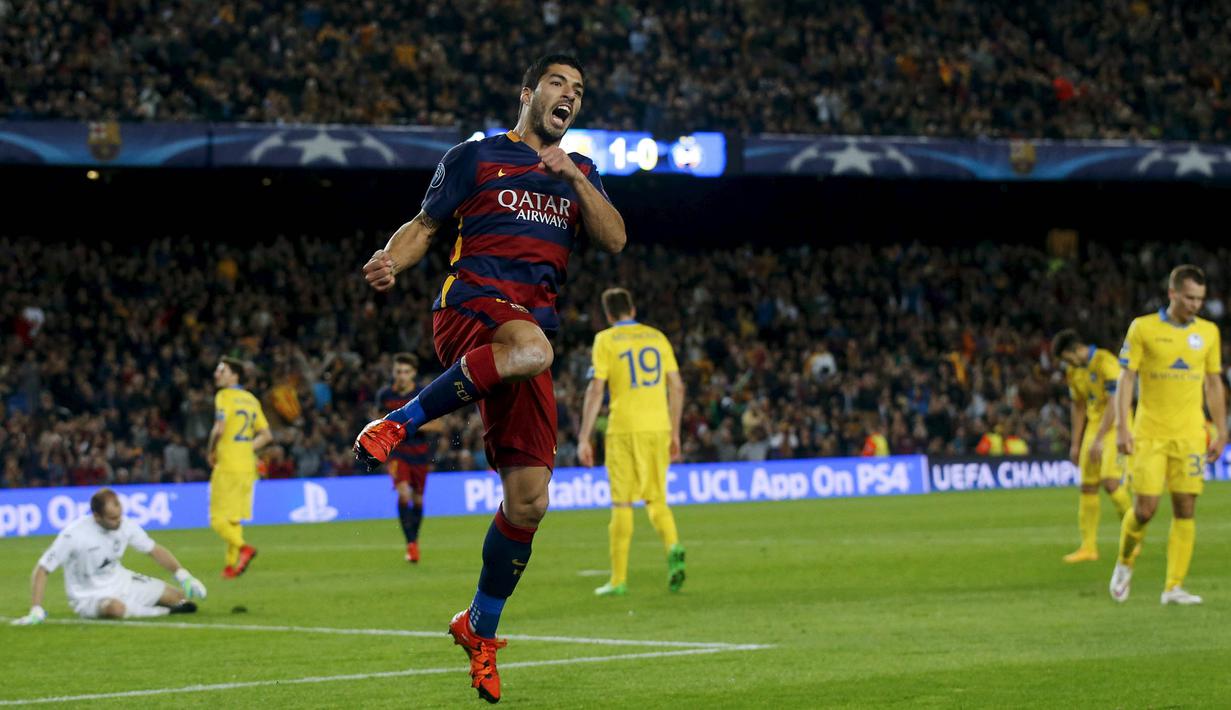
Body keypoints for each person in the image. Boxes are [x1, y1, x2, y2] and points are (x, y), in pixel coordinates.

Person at [353, 54, 626, 703]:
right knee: (534, 349)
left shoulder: (578, 171)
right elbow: (424, 227)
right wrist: (391, 260)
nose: (568, 96)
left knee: (530, 499)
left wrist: (575, 180)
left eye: (579, 91)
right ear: (527, 90)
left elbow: (614, 239)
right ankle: (398, 420)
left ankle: (478, 626)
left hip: (525, 337)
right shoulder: (474, 158)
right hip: (469, 306)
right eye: (557, 83)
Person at [1110, 265, 1226, 605]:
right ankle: (1125, 560)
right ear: (1172, 293)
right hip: (1149, 433)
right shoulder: (1143, 327)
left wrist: (1221, 430)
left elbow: (1214, 382)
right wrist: (1122, 426)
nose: (1195, 305)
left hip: (1190, 434)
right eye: (1189, 297)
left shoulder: (1208, 333)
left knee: (1185, 507)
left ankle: (1173, 587)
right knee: (1145, 509)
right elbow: (1126, 378)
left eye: (1200, 299)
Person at [577, 287, 686, 597]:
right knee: (656, 498)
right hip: (658, 427)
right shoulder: (657, 337)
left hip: (624, 428)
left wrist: (585, 437)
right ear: (633, 309)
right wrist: (675, 432)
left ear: (609, 315)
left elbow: (597, 389)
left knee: (622, 502)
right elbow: (677, 387)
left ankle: (618, 579)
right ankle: (673, 546)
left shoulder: (605, 340)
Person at [10, 488, 207, 625]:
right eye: (112, 519)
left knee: (178, 597)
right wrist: (36, 608)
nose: (118, 522)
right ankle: (163, 613)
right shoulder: (73, 535)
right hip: (88, 595)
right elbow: (42, 569)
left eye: (119, 515)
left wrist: (183, 575)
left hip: (121, 581)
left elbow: (153, 549)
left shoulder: (125, 524)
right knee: (115, 609)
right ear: (96, 516)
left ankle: (151, 607)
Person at [1052, 329, 1132, 563]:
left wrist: (1098, 440)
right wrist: (1076, 444)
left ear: (1075, 350)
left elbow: (1115, 402)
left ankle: (1132, 536)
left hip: (1117, 425)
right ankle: (1088, 548)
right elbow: (1077, 406)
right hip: (1094, 427)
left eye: (1066, 358)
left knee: (1110, 483)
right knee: (1087, 486)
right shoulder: (1073, 371)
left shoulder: (1105, 362)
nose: (1067, 364)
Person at [375, 352, 444, 563]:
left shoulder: (422, 394)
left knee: (418, 499)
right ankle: (411, 545)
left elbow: (439, 424)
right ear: (393, 372)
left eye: (406, 372)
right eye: (398, 372)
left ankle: (414, 540)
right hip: (398, 454)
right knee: (404, 494)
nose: (401, 376)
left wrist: (409, 426)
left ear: (413, 373)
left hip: (420, 454)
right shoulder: (385, 395)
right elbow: (377, 423)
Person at [207, 357, 272, 579]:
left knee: (217, 519)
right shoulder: (251, 400)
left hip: (227, 464)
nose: (217, 374)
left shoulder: (224, 396)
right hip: (247, 465)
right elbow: (266, 436)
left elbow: (219, 428)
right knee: (234, 517)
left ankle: (243, 548)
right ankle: (230, 566)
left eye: (222, 370)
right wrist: (245, 448)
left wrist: (211, 450)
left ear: (234, 376)